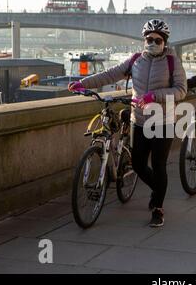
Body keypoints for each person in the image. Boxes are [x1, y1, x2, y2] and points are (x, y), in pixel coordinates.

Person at [69, 19, 187, 228]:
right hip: (139, 120)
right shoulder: (135, 60)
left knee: (159, 165)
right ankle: (158, 189)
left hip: (163, 122)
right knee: (139, 165)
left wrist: (154, 96)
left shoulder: (172, 62)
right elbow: (110, 74)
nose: (152, 42)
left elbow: (181, 90)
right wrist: (83, 83)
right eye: (148, 39)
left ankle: (158, 208)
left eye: (157, 39)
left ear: (164, 41)